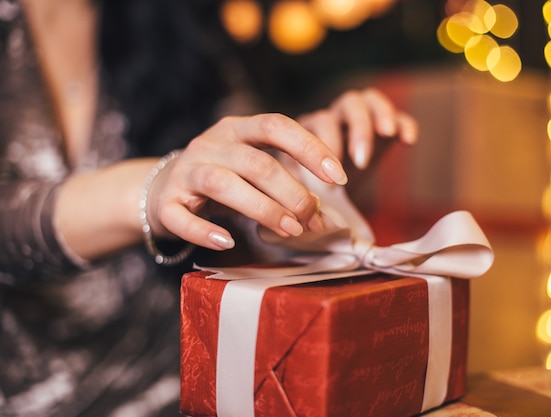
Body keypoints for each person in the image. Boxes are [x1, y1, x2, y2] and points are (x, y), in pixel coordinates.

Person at [0, 0, 418, 415]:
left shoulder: (172, 18)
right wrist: (155, 187)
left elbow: (228, 180)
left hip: (188, 386)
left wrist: (304, 176)